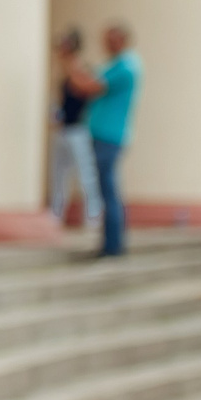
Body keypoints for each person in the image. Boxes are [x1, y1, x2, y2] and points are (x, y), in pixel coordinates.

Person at [79, 21, 141, 257]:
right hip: (106, 135)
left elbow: (89, 86)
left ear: (121, 39)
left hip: (110, 136)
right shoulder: (118, 64)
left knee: (108, 190)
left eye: (110, 39)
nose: (105, 43)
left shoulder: (126, 65)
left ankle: (113, 246)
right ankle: (111, 243)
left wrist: (69, 63)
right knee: (107, 190)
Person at [49, 26, 97, 228]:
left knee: (86, 175)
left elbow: (84, 90)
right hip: (64, 130)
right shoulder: (64, 69)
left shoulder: (81, 69)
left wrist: (70, 67)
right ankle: (55, 215)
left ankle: (92, 217)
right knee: (58, 176)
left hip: (79, 130)